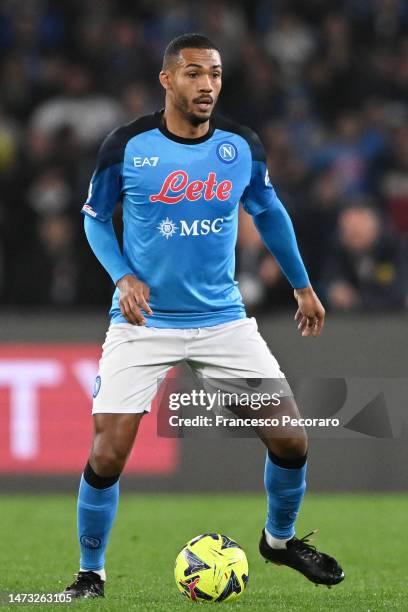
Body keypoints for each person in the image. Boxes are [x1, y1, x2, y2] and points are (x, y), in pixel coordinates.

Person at [63, 33, 344, 599]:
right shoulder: (127, 146)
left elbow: (269, 211)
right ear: (166, 80)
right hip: (144, 324)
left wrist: (303, 286)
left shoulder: (241, 146)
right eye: (193, 73)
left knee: (292, 441)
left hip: (223, 322)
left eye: (214, 73)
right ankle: (90, 573)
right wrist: (123, 275)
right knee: (108, 453)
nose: (207, 85)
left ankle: (280, 541)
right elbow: (95, 218)